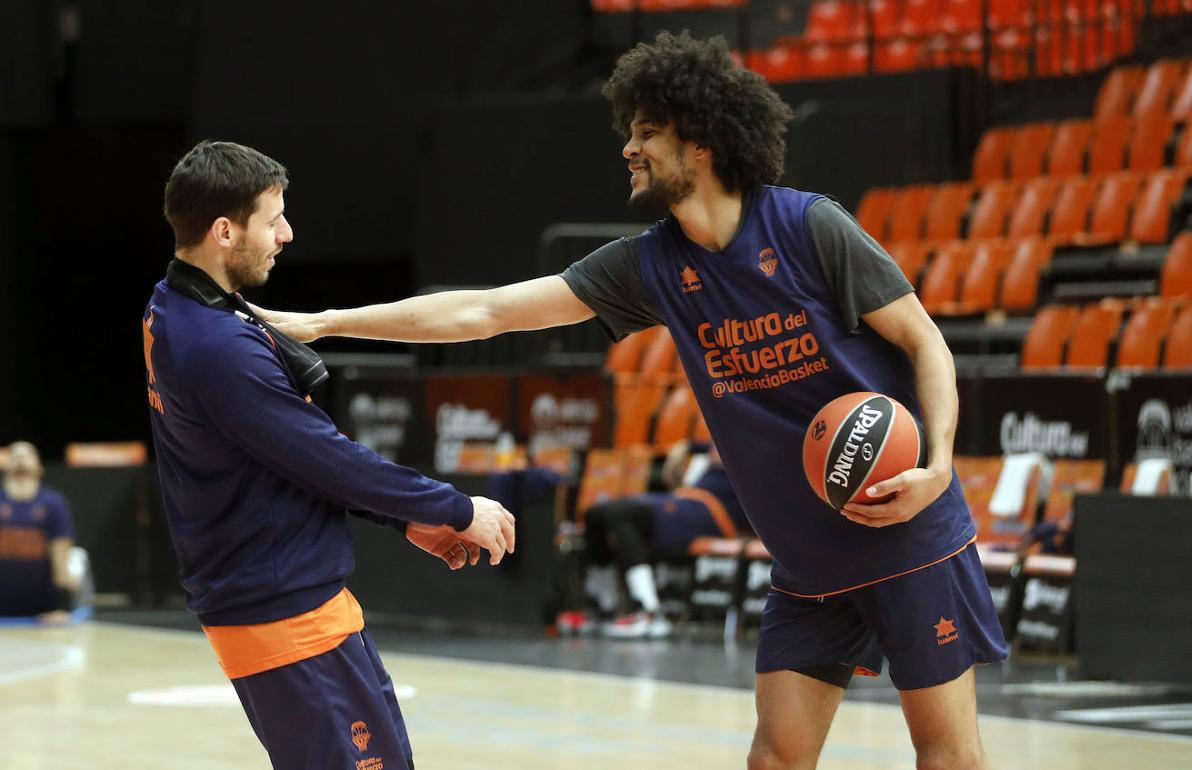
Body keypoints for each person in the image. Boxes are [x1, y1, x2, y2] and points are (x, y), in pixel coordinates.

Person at [258, 33, 1007, 770]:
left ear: (704, 142)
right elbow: (486, 311)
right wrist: (325, 322)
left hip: (903, 535)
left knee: (946, 757)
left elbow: (925, 343)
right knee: (777, 759)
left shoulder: (811, 227)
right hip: (808, 561)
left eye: (648, 132)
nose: (629, 148)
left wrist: (939, 465)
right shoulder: (652, 264)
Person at [143, 140, 516, 770]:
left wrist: (404, 519)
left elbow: (287, 458)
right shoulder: (216, 347)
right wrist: (453, 508)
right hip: (282, 612)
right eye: (273, 219)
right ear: (224, 230)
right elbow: (325, 458)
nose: (287, 234)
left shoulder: (172, 304)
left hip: (292, 599)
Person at [573, 439, 749, 639]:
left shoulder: (758, 443)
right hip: (684, 501)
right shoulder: (728, 434)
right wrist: (686, 446)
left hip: (712, 513)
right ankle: (604, 604)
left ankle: (649, 612)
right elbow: (709, 444)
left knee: (620, 513)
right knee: (595, 513)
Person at [0, 442, 80, 623]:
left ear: (39, 468)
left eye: (27, 454)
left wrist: (62, 608)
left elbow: (61, 557)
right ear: (5, 466)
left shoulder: (54, 504)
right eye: (15, 455)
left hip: (42, 612)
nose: (20, 458)